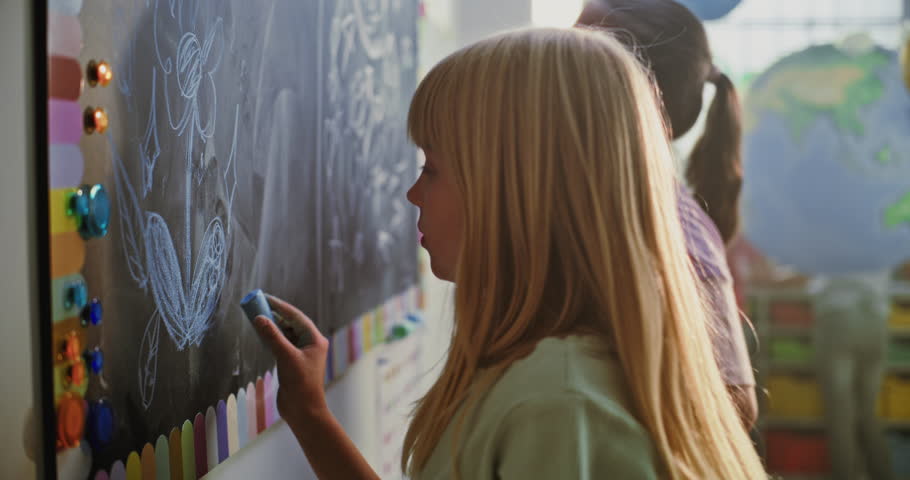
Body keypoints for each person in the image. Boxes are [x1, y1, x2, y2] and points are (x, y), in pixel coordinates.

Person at [254, 28, 767, 479]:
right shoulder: (549, 377)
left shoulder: (561, 408)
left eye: (431, 168)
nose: (413, 193)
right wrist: (310, 414)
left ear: (511, 193)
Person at [577, 0, 757, 427]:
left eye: (570, 66)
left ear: (629, 95)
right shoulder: (580, 203)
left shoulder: (676, 228)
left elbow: (737, 404)